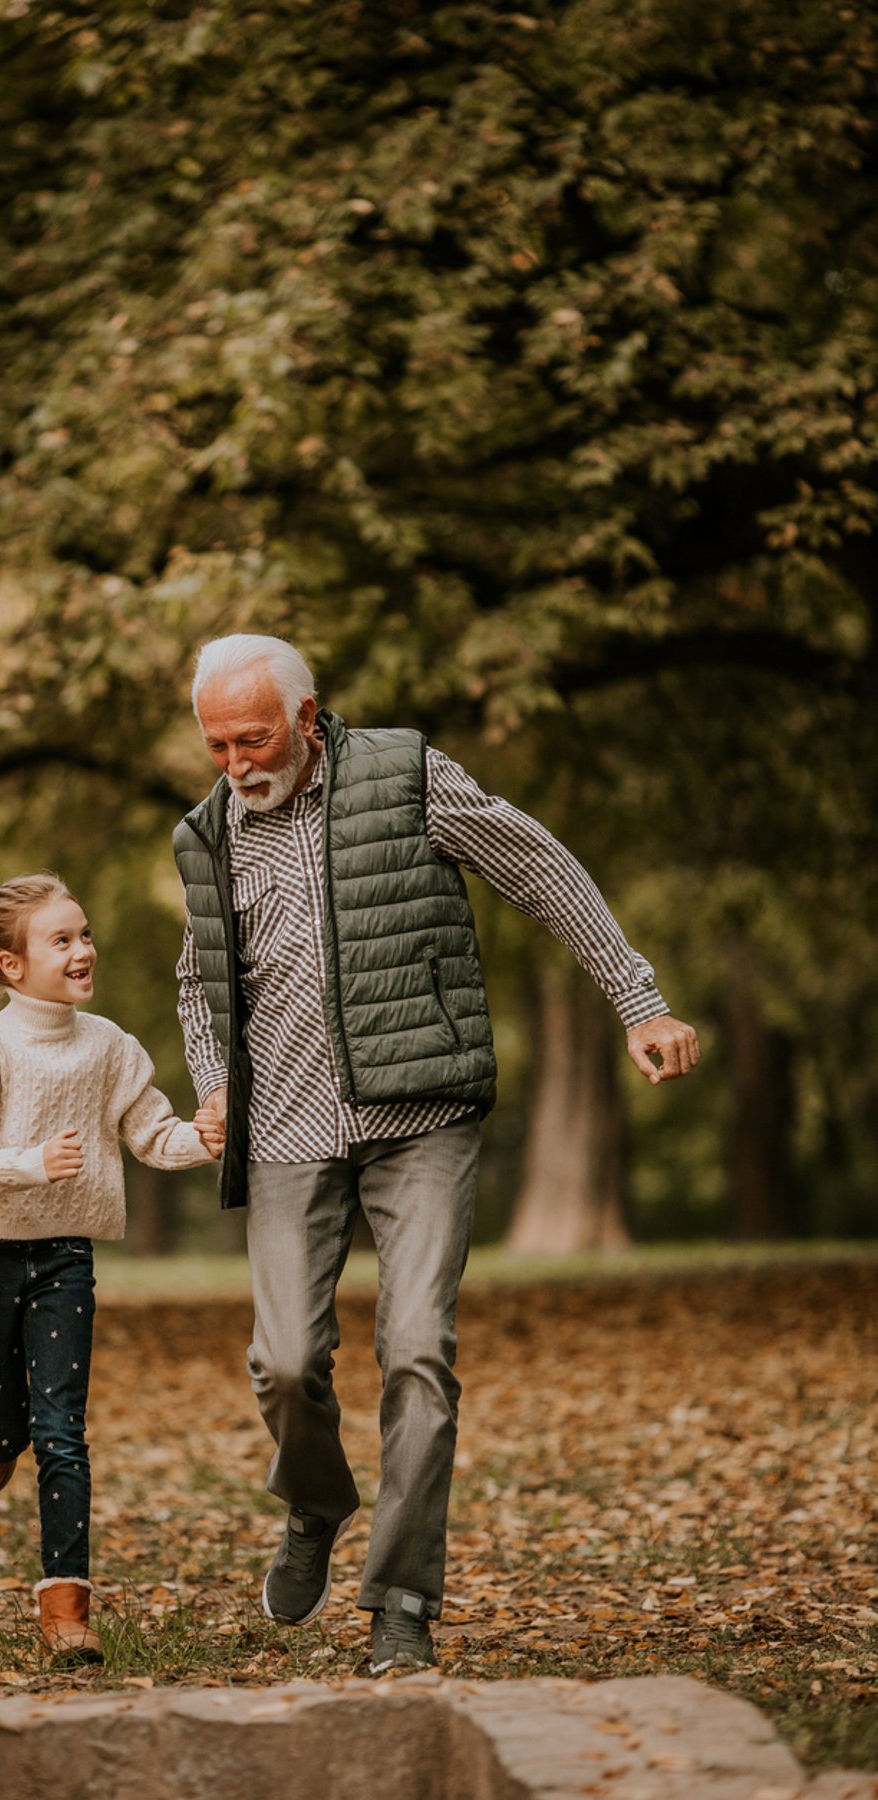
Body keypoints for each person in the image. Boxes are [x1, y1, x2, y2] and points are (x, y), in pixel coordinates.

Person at [173, 634, 699, 1674]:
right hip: (284, 1124)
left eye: (256, 737)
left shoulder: (407, 776)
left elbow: (538, 868)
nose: (239, 763)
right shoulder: (206, 835)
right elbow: (199, 981)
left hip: (421, 1111)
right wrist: (213, 1078)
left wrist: (638, 999)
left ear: (309, 714)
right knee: (282, 1364)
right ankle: (316, 1503)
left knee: (417, 1350)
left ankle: (401, 1602)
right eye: (218, 745)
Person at [0, 872, 217, 1665]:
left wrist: (204, 1138)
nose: (82, 950)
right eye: (61, 939)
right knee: (7, 1434)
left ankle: (66, 1607)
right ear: (11, 966)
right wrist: (34, 1163)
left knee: (62, 1430)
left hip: (66, 1257)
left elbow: (152, 1135)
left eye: (85, 934)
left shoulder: (109, 1047)